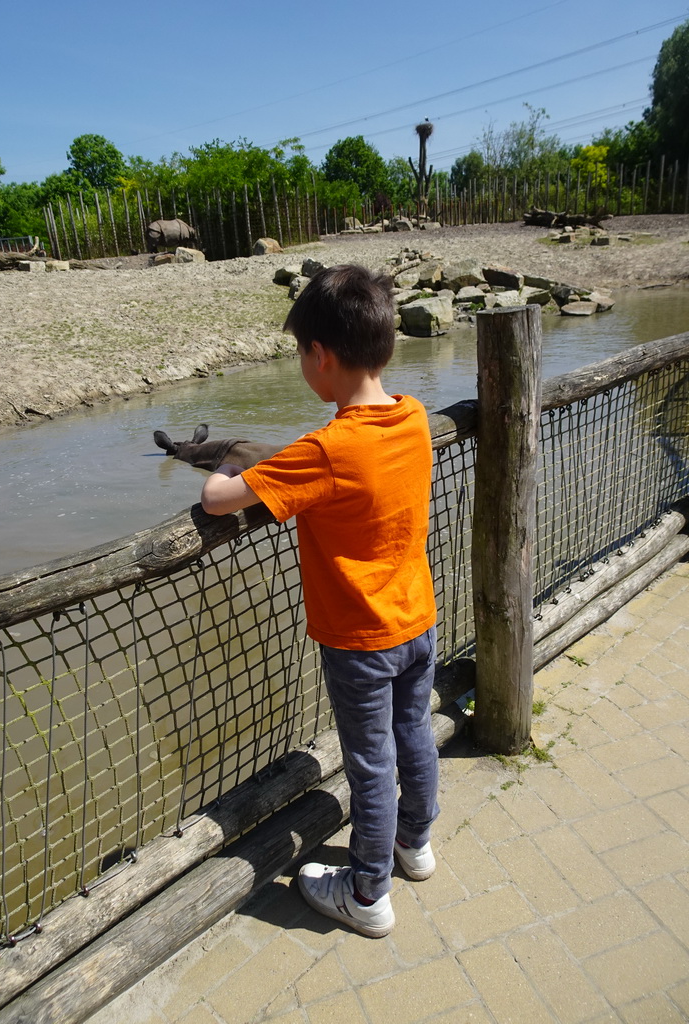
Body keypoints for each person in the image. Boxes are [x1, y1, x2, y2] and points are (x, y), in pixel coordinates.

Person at [201, 264, 439, 938]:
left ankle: (367, 895)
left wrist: (229, 460)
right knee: (414, 734)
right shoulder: (415, 416)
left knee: (370, 763)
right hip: (418, 620)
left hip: (359, 642)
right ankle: (415, 847)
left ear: (320, 357)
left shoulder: (324, 449)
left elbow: (219, 500)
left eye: (300, 352)